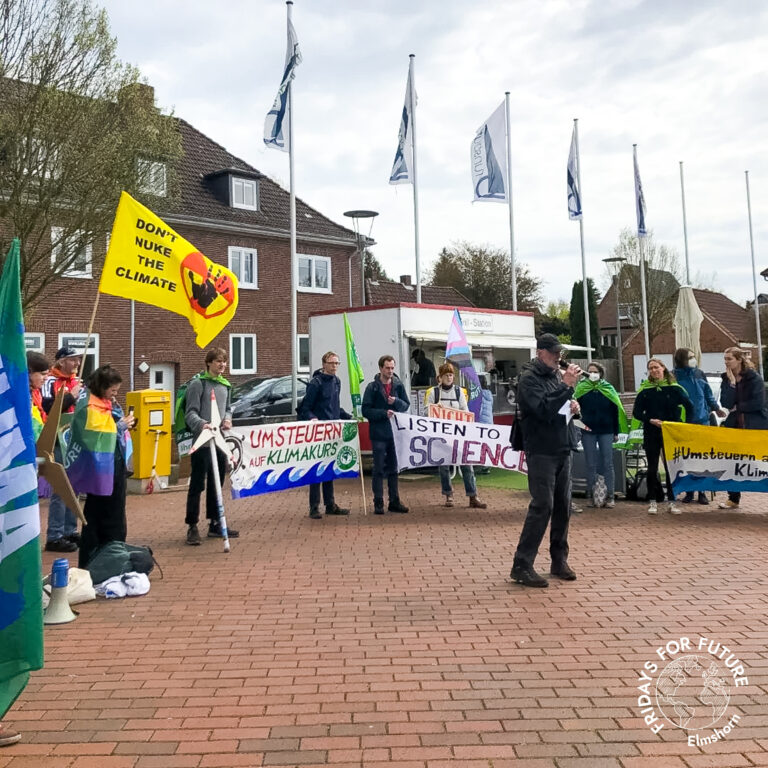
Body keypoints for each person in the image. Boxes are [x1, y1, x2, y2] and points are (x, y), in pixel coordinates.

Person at [509, 334, 582, 588]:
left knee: (563, 505)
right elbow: (542, 410)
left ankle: (559, 560)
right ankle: (522, 564)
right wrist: (566, 387)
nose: (557, 356)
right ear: (540, 352)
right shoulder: (528, 379)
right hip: (541, 450)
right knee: (543, 505)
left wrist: (573, 406)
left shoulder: (554, 377)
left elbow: (559, 407)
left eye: (559, 352)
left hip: (563, 446)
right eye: (552, 352)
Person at [72, 365, 135, 568]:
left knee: (115, 510)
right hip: (101, 467)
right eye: (113, 390)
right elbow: (94, 434)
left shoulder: (103, 402)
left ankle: (114, 552)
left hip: (112, 464)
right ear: (102, 386)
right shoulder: (89, 404)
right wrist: (120, 426)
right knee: (103, 512)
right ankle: (102, 556)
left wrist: (118, 414)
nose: (115, 394)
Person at [184, 347, 238, 544]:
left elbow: (228, 408)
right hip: (202, 442)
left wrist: (228, 419)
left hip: (219, 441)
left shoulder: (225, 386)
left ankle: (215, 522)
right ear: (209, 363)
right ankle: (192, 525)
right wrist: (202, 424)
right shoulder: (199, 384)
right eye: (218, 361)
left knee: (217, 484)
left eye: (224, 361)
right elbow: (190, 412)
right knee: (197, 485)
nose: (222, 365)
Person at [632, 358, 693, 516]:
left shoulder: (674, 389)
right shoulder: (645, 390)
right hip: (651, 432)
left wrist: (682, 425)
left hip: (670, 432)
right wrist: (649, 420)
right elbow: (637, 412)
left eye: (656, 367)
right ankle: (653, 502)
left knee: (671, 467)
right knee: (652, 468)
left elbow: (689, 406)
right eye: (650, 368)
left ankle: (672, 501)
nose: (653, 370)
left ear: (663, 368)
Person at [298, 350, 353, 519]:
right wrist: (313, 418)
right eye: (331, 363)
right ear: (324, 365)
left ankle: (330, 504)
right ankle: (314, 507)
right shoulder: (316, 383)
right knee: (316, 469)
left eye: (337, 363)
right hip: (318, 432)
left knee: (329, 469)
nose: (334, 366)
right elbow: (305, 408)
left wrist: (348, 416)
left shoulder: (337, 381)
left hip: (332, 431)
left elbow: (334, 407)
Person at [426, 363, 487, 509]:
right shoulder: (433, 393)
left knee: (467, 465)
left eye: (451, 374)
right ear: (439, 377)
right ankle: (448, 494)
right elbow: (426, 411)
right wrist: (435, 408)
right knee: (444, 467)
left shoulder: (460, 392)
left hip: (459, 435)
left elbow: (465, 412)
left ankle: (473, 496)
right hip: (441, 436)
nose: (449, 377)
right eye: (446, 375)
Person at [40, 346, 82, 553]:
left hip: (73, 437)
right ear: (61, 362)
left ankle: (70, 529)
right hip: (56, 438)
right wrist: (71, 396)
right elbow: (49, 407)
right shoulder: (49, 381)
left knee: (73, 485)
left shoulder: (77, 382)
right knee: (60, 486)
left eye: (78, 360)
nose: (77, 364)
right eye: (73, 360)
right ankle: (55, 534)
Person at [673, 347, 726, 504]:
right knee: (687, 458)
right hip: (685, 422)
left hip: (702, 420)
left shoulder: (699, 374)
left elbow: (708, 394)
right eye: (689, 357)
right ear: (681, 359)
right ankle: (689, 491)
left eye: (693, 356)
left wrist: (716, 408)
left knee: (702, 458)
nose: (693, 359)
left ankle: (702, 491)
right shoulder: (674, 376)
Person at [718, 346, 768, 510]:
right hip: (734, 425)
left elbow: (758, 403)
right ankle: (733, 498)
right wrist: (732, 384)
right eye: (725, 359)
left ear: (739, 360)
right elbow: (726, 403)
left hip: (755, 425)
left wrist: (738, 408)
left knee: (761, 463)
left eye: (729, 359)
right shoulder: (726, 378)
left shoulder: (754, 378)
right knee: (731, 460)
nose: (726, 362)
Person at [574, 362, 628, 509]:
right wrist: (579, 429)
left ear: (601, 373)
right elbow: (575, 411)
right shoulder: (581, 389)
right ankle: (591, 495)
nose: (592, 374)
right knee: (590, 463)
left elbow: (615, 411)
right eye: (590, 371)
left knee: (607, 463)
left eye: (595, 371)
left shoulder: (608, 389)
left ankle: (610, 495)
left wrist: (616, 432)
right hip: (588, 431)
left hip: (607, 430)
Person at [361, 355, 410, 515]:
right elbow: (366, 410)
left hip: (395, 433)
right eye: (387, 368)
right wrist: (383, 413)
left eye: (392, 368)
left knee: (393, 468)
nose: (390, 371)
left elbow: (405, 405)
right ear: (381, 368)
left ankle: (394, 500)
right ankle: (378, 501)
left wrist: (395, 402)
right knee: (378, 468)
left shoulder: (398, 385)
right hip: (379, 433)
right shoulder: (372, 387)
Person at [27, 351, 50, 440]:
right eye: (43, 374)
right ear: (29, 372)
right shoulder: (19, 396)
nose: (46, 378)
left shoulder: (34, 392)